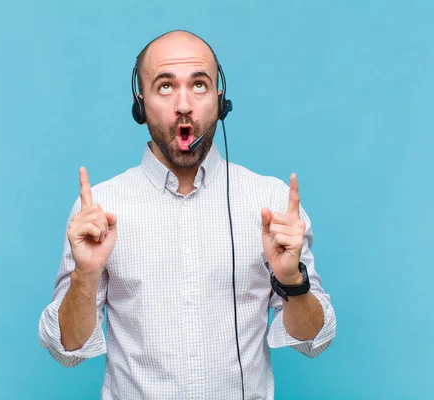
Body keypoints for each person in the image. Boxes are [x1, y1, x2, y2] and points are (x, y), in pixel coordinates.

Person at [38, 30, 336, 399]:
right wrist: (85, 276)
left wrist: (292, 279)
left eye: (199, 85)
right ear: (140, 102)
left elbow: (314, 341)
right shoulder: (100, 209)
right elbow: (65, 349)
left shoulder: (270, 202)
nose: (183, 104)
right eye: (165, 86)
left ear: (219, 98)